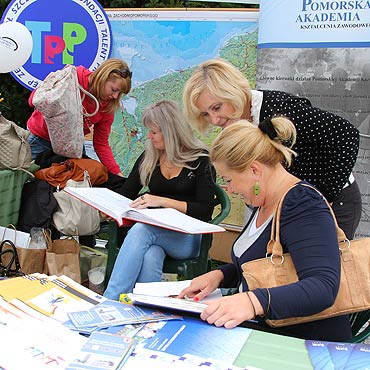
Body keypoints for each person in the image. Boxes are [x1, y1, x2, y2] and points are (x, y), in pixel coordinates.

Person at [179, 118, 351, 342]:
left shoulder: (302, 203)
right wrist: (221, 275)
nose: (229, 190)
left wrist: (252, 302)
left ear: (254, 170)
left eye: (229, 180)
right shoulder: (265, 202)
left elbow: (323, 286)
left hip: (305, 342)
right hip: (272, 332)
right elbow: (267, 263)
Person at [183, 58, 362, 240]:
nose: (214, 120)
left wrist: (322, 197)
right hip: (291, 204)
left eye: (217, 107)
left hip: (335, 203)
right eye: (205, 114)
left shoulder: (282, 110)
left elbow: (347, 136)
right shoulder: (237, 122)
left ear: (232, 92)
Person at [103, 100, 216, 300]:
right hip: (157, 234)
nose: (149, 136)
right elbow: (127, 193)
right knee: (151, 255)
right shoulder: (150, 156)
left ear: (170, 130)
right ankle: (148, 307)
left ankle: (110, 300)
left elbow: (205, 211)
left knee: (142, 230)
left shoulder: (200, 160)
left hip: (188, 237)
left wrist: (163, 201)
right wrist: (110, 207)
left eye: (154, 132)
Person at [26, 58, 133, 176]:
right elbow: (33, 101)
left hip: (71, 149)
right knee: (24, 179)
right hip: (41, 140)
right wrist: (59, 82)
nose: (115, 96)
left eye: (119, 93)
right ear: (103, 77)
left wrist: (117, 173)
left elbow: (101, 144)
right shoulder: (73, 77)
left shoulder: (107, 108)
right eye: (114, 90)